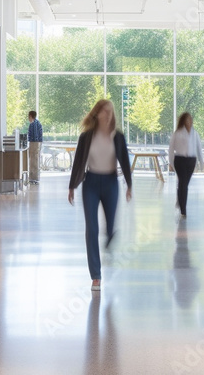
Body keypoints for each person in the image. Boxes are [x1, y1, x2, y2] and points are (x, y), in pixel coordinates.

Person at [68, 99, 133, 291]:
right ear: (96, 113)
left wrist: (129, 185)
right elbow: (79, 162)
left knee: (110, 226)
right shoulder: (86, 136)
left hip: (111, 183)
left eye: (110, 111)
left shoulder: (118, 137)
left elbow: (125, 161)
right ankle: (96, 276)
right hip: (91, 184)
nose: (108, 114)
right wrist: (72, 186)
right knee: (92, 228)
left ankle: (110, 236)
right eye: (104, 111)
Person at [168, 112, 204, 218]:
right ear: (183, 121)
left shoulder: (195, 133)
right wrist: (171, 162)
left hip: (191, 161)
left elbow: (199, 148)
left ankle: (180, 200)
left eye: (191, 119)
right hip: (180, 160)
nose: (190, 121)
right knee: (183, 184)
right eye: (188, 119)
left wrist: (201, 162)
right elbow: (171, 148)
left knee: (184, 184)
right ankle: (183, 210)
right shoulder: (177, 133)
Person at [27, 110, 43, 184]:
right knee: (35, 160)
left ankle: (33, 178)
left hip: (34, 143)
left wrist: (34, 144)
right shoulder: (37, 123)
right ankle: (34, 178)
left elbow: (35, 136)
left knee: (33, 161)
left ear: (30, 116)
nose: (28, 118)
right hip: (37, 143)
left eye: (28, 116)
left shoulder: (33, 124)